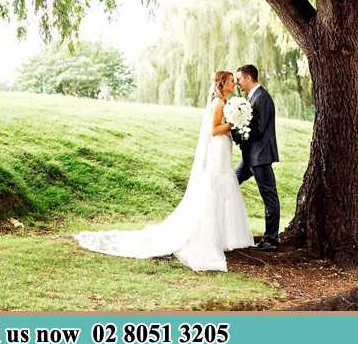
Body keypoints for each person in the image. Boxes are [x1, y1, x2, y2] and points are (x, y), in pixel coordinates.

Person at [73, 71, 254, 272]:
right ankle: (212, 236)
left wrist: (234, 122)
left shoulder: (226, 102)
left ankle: (226, 236)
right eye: (231, 81)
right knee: (217, 185)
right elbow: (214, 130)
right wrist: (233, 122)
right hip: (218, 148)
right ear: (223, 84)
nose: (234, 83)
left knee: (225, 185)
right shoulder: (219, 104)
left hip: (223, 147)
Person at [233, 64, 280, 252]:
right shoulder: (251, 97)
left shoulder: (262, 97)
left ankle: (271, 240)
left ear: (249, 78)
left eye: (239, 79)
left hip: (260, 156)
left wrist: (237, 132)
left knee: (269, 196)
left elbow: (259, 129)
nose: (237, 83)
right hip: (250, 156)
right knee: (230, 182)